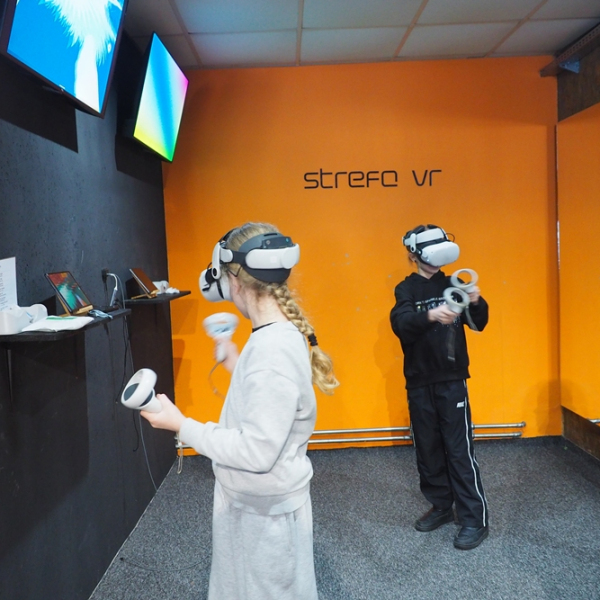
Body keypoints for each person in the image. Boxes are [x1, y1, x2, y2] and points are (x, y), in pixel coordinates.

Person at [142, 222, 339, 599]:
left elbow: (256, 452)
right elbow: (273, 401)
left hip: (264, 515)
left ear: (233, 279)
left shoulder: (270, 354)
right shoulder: (274, 335)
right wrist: (238, 365)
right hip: (259, 504)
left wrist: (181, 425)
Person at [389, 224, 489, 550]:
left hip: (452, 381)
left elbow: (479, 323)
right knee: (428, 449)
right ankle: (443, 506)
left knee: (459, 450)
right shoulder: (406, 289)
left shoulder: (454, 283)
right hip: (419, 381)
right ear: (413, 255)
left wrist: (475, 301)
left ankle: (474, 519)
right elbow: (401, 324)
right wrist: (432, 315)